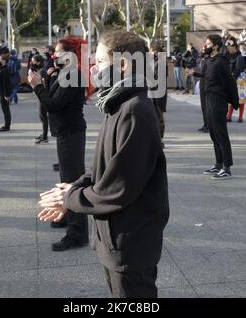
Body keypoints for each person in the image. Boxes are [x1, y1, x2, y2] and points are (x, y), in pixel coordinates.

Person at [38, 30, 169, 298]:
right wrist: (73, 189)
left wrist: (69, 199)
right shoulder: (116, 103)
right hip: (114, 237)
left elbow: (117, 187)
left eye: (99, 60)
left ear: (122, 64)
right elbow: (101, 168)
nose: (93, 67)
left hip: (130, 242)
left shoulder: (134, 110)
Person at [28, 37, 89, 252]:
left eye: (58, 52)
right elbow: (51, 101)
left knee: (72, 181)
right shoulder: (63, 73)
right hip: (64, 131)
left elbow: (53, 105)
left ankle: (78, 233)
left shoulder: (73, 75)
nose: (54, 55)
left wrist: (36, 87)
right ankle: (67, 215)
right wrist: (45, 81)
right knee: (65, 178)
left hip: (71, 132)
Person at [187, 34, 239, 179]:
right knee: (213, 133)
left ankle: (227, 168)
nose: (205, 46)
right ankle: (218, 164)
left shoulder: (221, 62)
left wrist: (234, 102)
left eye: (208, 44)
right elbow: (207, 75)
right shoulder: (210, 60)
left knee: (221, 133)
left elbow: (229, 83)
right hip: (208, 98)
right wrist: (195, 73)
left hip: (218, 100)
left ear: (215, 46)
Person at [149, 41, 167, 148]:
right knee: (155, 117)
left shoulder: (160, 62)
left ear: (154, 51)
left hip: (158, 94)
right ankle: (157, 139)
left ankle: (160, 140)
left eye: (150, 50)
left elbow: (159, 79)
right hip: (154, 92)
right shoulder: (155, 61)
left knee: (158, 117)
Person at [226, 39, 246, 123]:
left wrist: (233, 79)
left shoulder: (240, 57)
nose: (228, 49)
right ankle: (229, 116)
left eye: (229, 47)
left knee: (240, 99)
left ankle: (240, 117)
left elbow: (239, 69)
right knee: (232, 97)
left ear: (234, 47)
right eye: (227, 47)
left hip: (240, 79)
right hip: (234, 78)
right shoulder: (231, 56)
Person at [31, 54, 49, 144]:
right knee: (42, 115)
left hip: (43, 96)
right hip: (41, 95)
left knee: (43, 116)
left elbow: (44, 84)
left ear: (38, 62)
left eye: (33, 61)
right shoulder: (40, 70)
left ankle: (45, 136)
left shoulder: (42, 71)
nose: (32, 63)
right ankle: (44, 134)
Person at [0, 53, 11, 132]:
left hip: (3, 92)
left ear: (4, 60)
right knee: (4, 109)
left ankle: (7, 126)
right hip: (0, 91)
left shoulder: (5, 69)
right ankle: (6, 125)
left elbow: (6, 83)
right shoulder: (1, 68)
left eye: (0, 59)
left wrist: (6, 94)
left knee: (6, 109)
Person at [198, 44, 210, 133]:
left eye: (203, 49)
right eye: (201, 49)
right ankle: (205, 124)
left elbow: (206, 74)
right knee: (203, 106)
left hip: (206, 85)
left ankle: (209, 125)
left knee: (207, 107)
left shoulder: (209, 60)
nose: (202, 51)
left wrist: (194, 73)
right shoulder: (203, 59)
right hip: (202, 84)